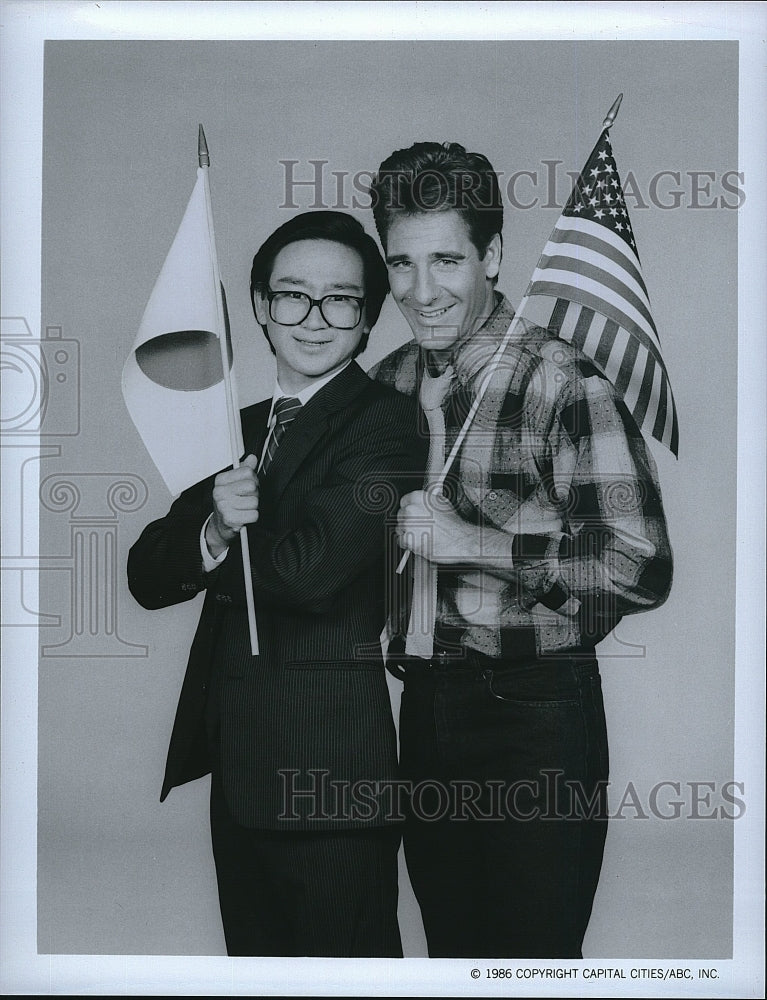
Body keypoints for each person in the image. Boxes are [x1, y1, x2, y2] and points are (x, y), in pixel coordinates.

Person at [368, 141, 673, 959]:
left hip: (533, 714)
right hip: (425, 709)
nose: (421, 291)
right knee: (453, 959)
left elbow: (639, 565)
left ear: (492, 256)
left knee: (530, 965)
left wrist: (480, 542)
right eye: (401, 263)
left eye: (445, 260)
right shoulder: (387, 383)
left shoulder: (559, 380)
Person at [127, 210, 425, 957]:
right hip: (239, 771)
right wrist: (212, 531)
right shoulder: (238, 426)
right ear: (261, 305)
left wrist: (230, 541)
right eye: (293, 296)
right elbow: (148, 572)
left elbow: (306, 575)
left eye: (342, 301)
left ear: (367, 318)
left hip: (330, 781)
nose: (315, 320)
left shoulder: (387, 425)